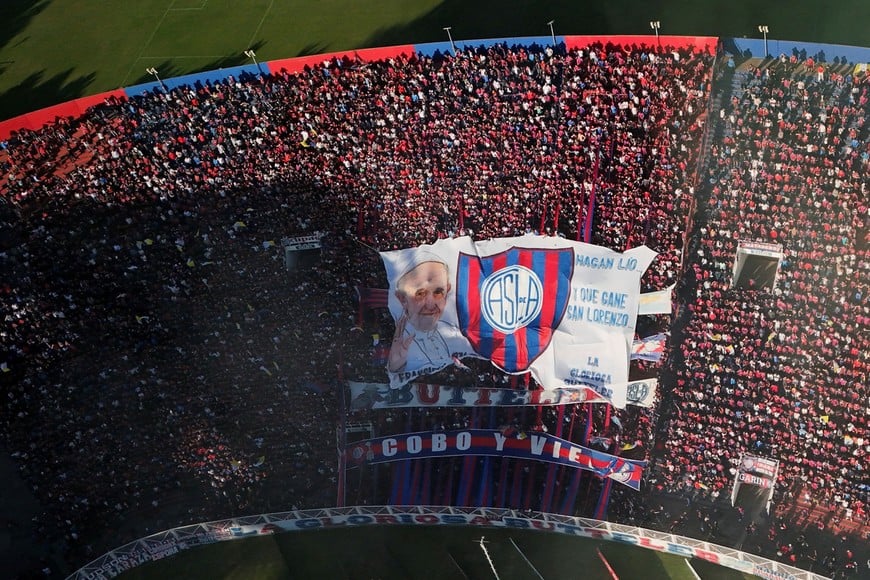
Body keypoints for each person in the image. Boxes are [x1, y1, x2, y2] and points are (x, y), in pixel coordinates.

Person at [387, 258, 474, 384]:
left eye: (438, 292)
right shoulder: (400, 341)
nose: (430, 304)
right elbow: (394, 384)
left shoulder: (454, 329)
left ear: (447, 291)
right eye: (420, 293)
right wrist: (396, 366)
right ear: (402, 298)